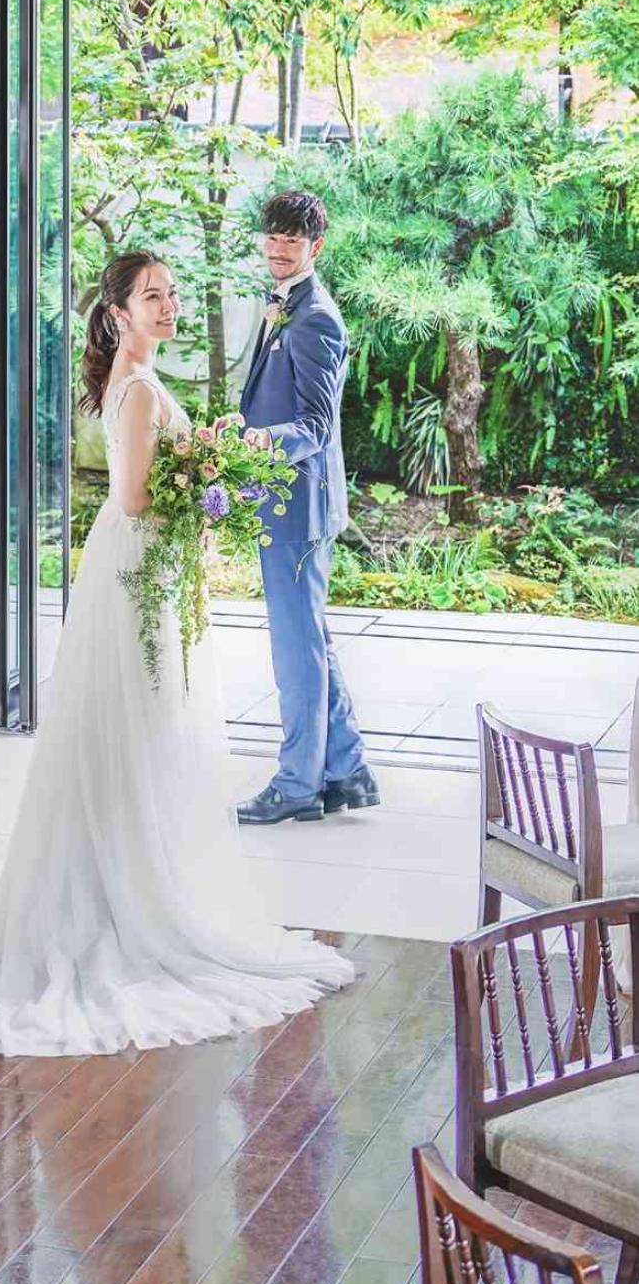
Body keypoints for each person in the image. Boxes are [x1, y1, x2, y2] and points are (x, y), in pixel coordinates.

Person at [0, 250, 354, 1057]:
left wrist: (204, 464)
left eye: (173, 292)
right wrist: (207, 471)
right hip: (133, 570)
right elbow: (135, 498)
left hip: (142, 567)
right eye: (154, 296)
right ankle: (120, 893)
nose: (170, 305)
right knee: (132, 727)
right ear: (118, 312)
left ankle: (137, 874)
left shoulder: (140, 378)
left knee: (145, 733)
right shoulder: (139, 388)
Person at [236, 191, 379, 826]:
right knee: (309, 638)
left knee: (295, 647)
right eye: (271, 235)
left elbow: (316, 425)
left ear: (315, 247)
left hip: (299, 502)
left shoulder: (316, 315)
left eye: (290, 240)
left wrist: (264, 441)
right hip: (284, 497)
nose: (276, 247)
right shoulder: (283, 304)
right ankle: (345, 771)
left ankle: (297, 784)